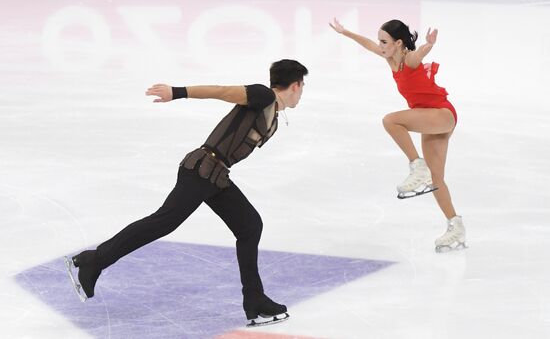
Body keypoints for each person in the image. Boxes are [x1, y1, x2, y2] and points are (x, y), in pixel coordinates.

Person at [64, 59, 308, 326]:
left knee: (250, 225)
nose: (302, 92)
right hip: (201, 170)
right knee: (162, 222)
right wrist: (177, 91)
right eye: (303, 86)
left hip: (216, 176)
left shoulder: (272, 110)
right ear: (295, 85)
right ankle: (94, 261)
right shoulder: (263, 96)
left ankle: (254, 300)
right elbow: (222, 91)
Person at [329, 18, 466, 252]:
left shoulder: (408, 60)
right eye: (380, 41)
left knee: (391, 120)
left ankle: (416, 165)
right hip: (428, 118)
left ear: (398, 43)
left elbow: (418, 54)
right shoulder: (389, 58)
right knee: (436, 180)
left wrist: (428, 45)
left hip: (441, 114)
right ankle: (455, 226)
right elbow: (368, 44)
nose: (379, 46)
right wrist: (346, 33)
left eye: (384, 42)